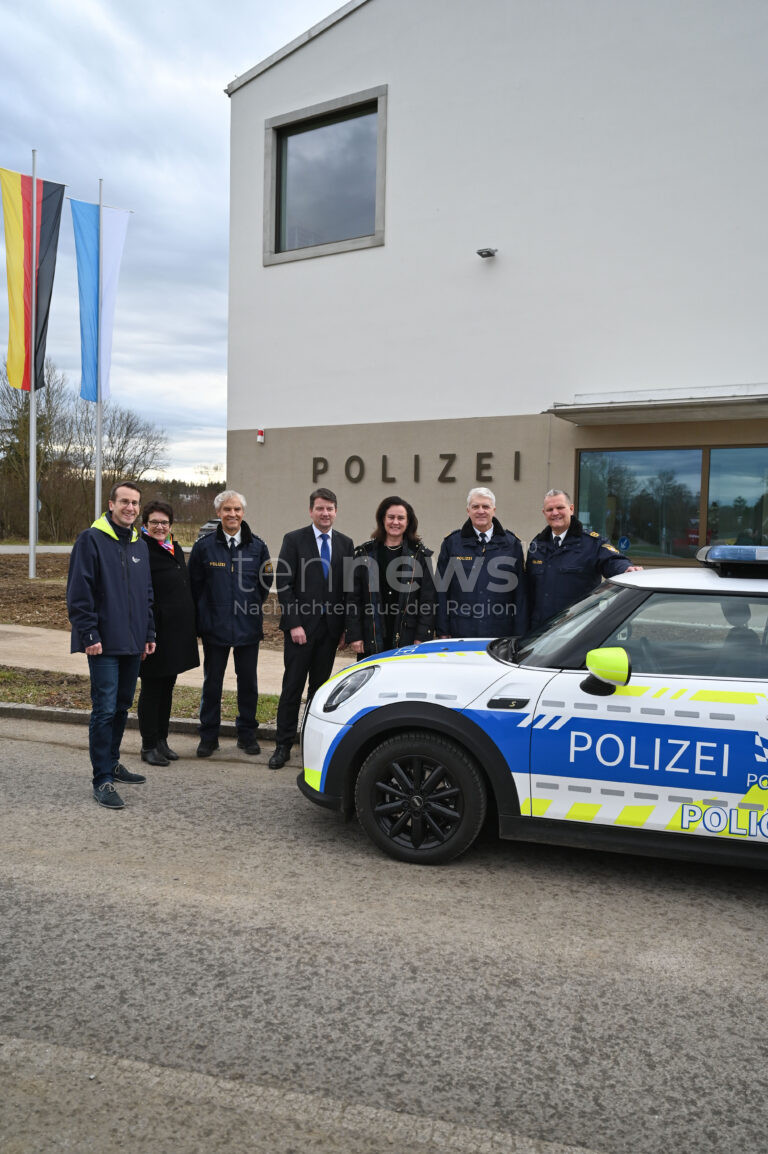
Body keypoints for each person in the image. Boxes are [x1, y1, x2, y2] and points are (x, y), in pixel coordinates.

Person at [66, 480, 156, 809]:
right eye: (125, 502)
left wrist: (150, 634)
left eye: (135, 503)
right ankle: (101, 778)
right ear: (111, 504)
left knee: (121, 706)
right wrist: (88, 634)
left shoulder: (139, 544)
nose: (130, 508)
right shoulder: (91, 540)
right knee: (103, 709)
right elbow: (78, 593)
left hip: (133, 643)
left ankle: (113, 763)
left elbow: (147, 594)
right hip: (102, 644)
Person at [270, 488, 354, 769]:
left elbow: (346, 590)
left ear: (336, 511)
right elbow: (284, 584)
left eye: (330, 508)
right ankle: (282, 745)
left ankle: (310, 744)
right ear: (311, 511)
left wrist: (345, 628)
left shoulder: (345, 543)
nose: (325, 513)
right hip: (300, 631)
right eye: (320, 508)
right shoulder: (294, 540)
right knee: (292, 688)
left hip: (329, 632)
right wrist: (294, 623)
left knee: (319, 692)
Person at [188, 490, 271, 758]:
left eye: (236, 509)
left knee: (248, 684)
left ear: (243, 513)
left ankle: (247, 736)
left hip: (247, 628)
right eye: (227, 510)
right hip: (215, 628)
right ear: (218, 513)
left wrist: (247, 608)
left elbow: (264, 585)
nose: (232, 514)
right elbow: (195, 586)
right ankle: (208, 737)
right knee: (212, 683)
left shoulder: (258, 547)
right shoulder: (204, 547)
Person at [136, 500, 200, 766]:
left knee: (167, 688)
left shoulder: (174, 548)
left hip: (176, 633)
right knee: (152, 690)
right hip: (154, 633)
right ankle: (148, 745)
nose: (160, 527)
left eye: (164, 522)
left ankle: (162, 741)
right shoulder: (140, 549)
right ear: (145, 525)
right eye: (154, 523)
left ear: (171, 525)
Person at [527, 489, 641, 630]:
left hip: (576, 628)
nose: (555, 513)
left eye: (560, 507)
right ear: (544, 513)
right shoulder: (536, 545)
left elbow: (613, 560)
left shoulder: (592, 543)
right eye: (550, 509)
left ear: (571, 509)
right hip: (540, 631)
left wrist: (626, 569)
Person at [346, 495, 436, 658]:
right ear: (382, 519)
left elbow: (427, 600)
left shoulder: (420, 556)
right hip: (371, 634)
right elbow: (353, 598)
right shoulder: (364, 554)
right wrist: (355, 634)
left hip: (407, 636)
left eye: (401, 518)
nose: (395, 522)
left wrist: (422, 636)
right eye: (391, 517)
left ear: (408, 522)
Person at [435, 487, 527, 639]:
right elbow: (441, 590)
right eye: (475, 506)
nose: (481, 511)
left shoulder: (512, 544)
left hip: (501, 631)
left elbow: (521, 594)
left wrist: (520, 634)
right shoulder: (452, 543)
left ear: (494, 510)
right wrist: (443, 630)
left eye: (486, 506)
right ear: (468, 510)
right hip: (461, 630)